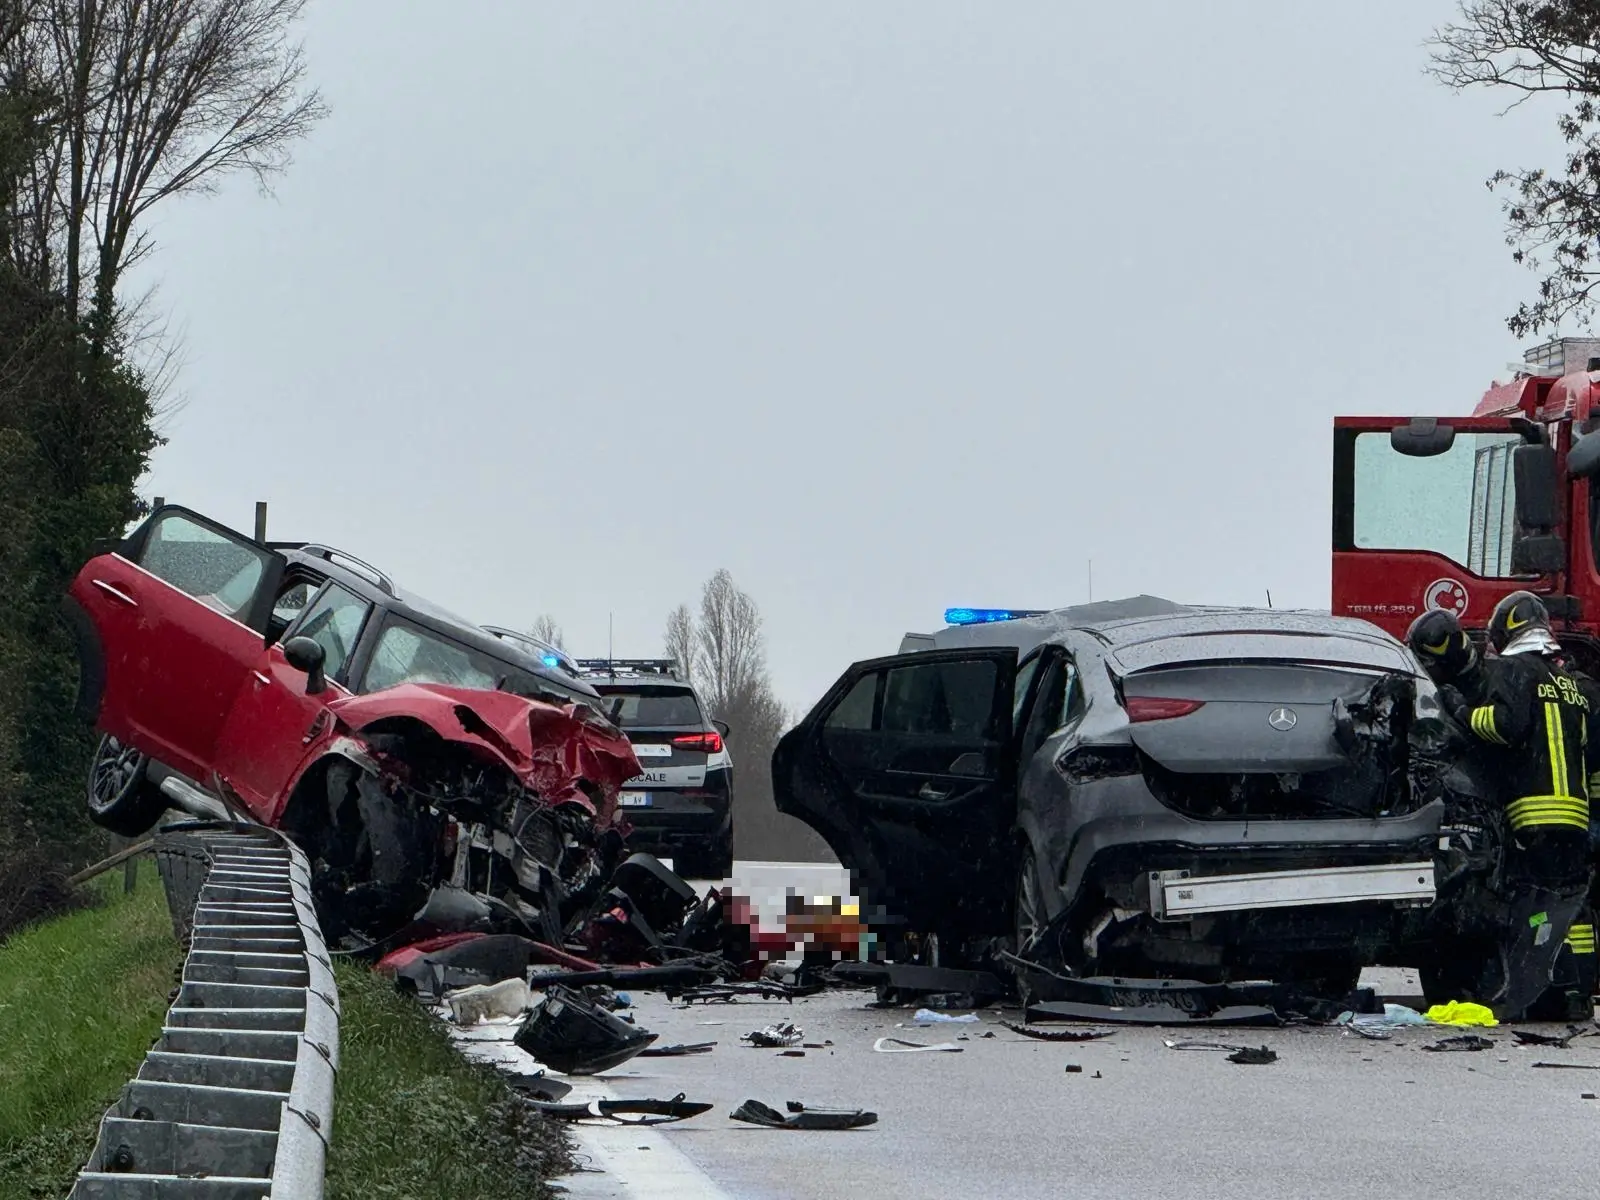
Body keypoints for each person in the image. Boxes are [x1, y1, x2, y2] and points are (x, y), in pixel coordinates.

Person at [1431, 593, 1594, 1019]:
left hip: (1532, 813)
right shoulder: (1571, 685)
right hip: (1575, 815)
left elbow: (1506, 726)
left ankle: (1533, 992)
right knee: (1571, 905)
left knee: (1532, 906)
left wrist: (1463, 712)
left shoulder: (1512, 671)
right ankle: (1577, 989)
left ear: (1506, 632)